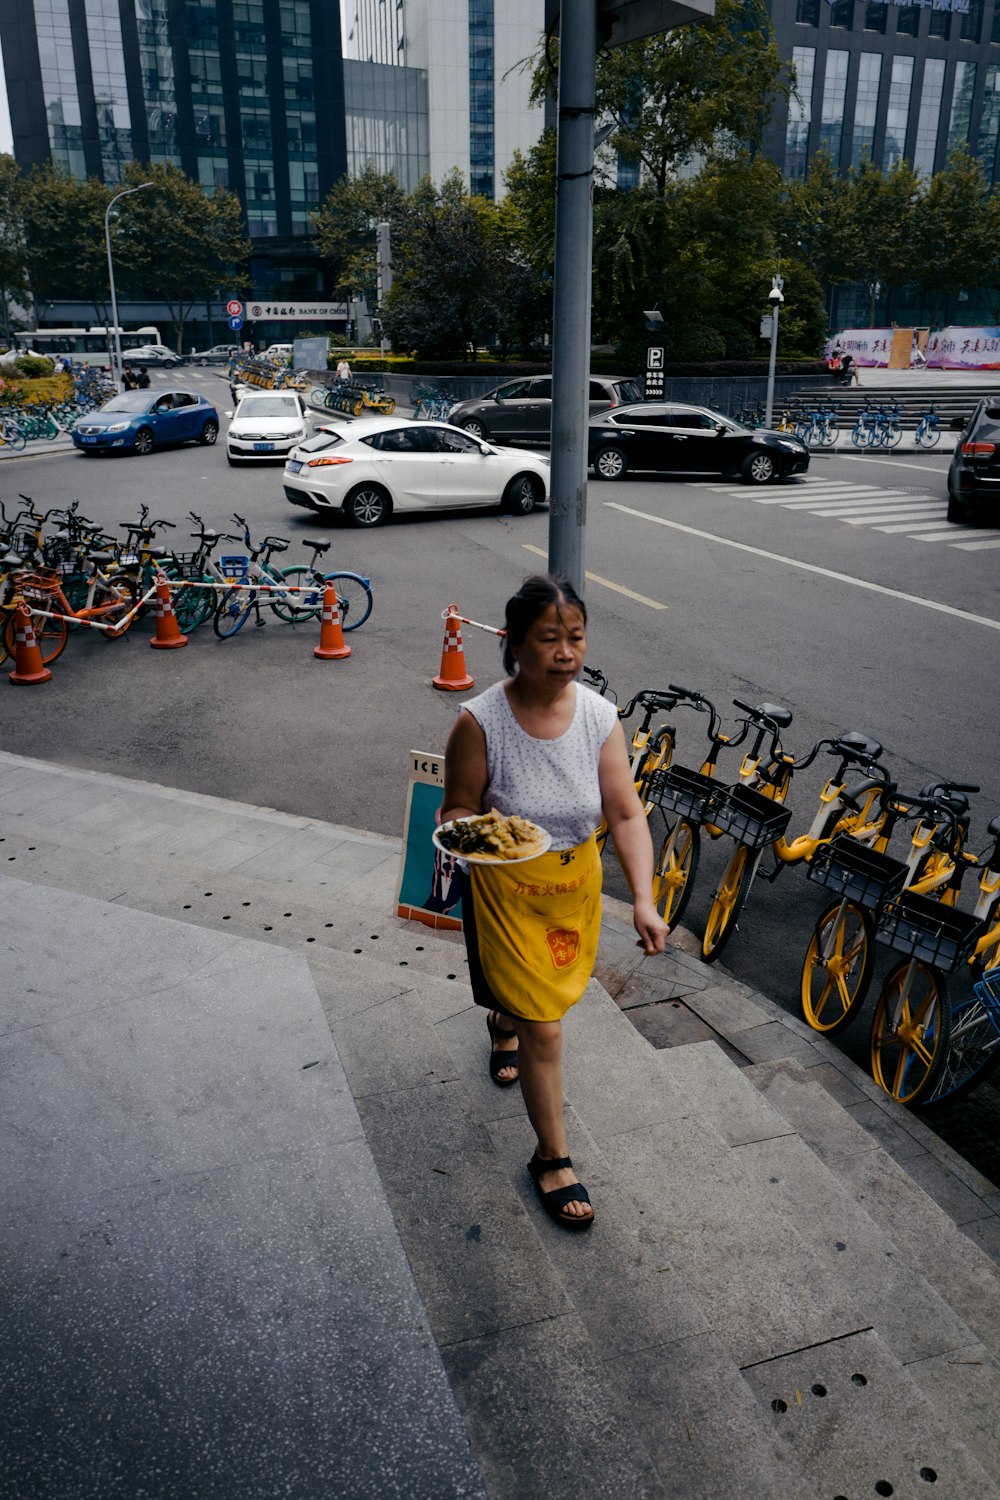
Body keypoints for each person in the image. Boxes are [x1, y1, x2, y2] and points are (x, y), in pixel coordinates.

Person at [440, 574, 669, 1231]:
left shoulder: (599, 718)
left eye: (576, 637)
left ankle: (501, 1022)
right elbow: (457, 807)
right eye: (550, 638)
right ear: (514, 643)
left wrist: (645, 901)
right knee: (547, 1024)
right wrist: (489, 840)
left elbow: (624, 813)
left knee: (533, 1006)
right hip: (508, 888)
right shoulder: (479, 721)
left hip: (574, 888)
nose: (566, 651)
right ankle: (553, 1158)